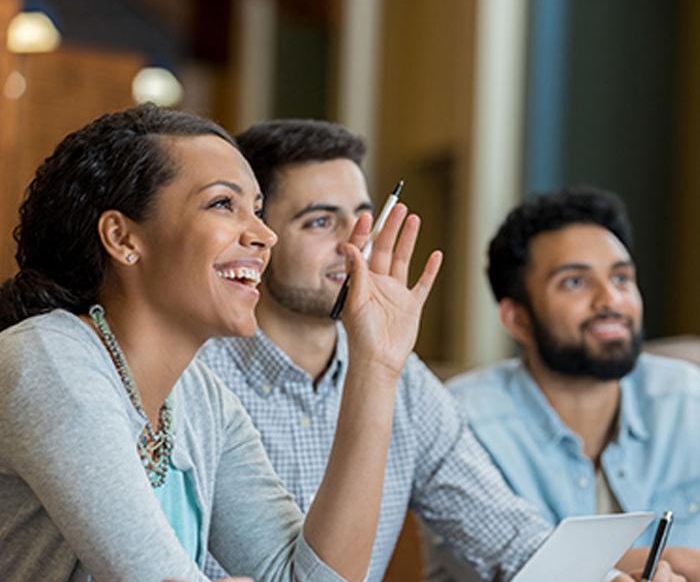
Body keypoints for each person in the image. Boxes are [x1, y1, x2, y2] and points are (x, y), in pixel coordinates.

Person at [198, 120, 681, 582]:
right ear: (257, 236)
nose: (357, 245)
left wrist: (610, 578)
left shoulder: (405, 380)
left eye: (366, 218)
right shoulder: (199, 374)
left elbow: (504, 535)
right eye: (320, 222)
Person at [0, 104, 443, 581]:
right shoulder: (48, 360)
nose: (264, 235)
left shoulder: (201, 400)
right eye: (221, 204)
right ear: (122, 237)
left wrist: (376, 365)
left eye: (256, 210)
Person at [442, 189, 700, 580]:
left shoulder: (686, 399)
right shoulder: (464, 420)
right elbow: (509, 569)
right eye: (575, 282)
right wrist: (674, 562)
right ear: (518, 320)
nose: (610, 298)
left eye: (620, 277)